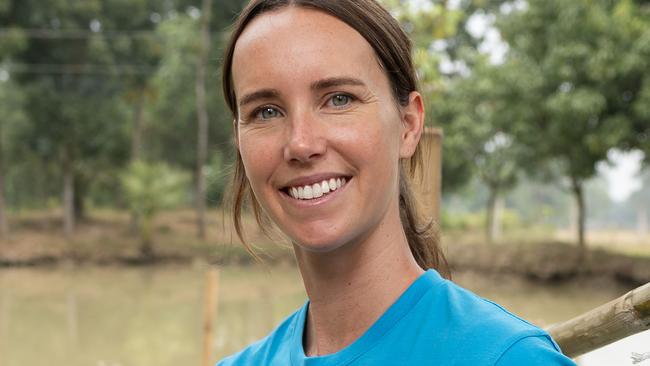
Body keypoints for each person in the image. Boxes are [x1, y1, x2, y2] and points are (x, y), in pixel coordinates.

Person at [217, 0, 576, 365]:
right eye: (266, 111)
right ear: (239, 138)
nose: (301, 144)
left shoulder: (509, 357)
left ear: (408, 124)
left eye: (339, 99)